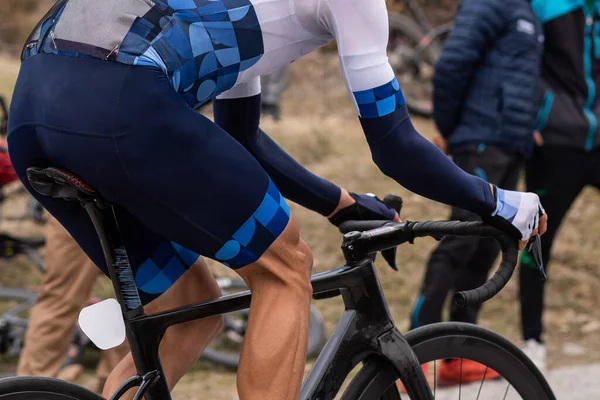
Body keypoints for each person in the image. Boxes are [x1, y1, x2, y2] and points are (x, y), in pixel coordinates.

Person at [8, 0, 545, 399]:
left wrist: (339, 204)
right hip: (122, 103)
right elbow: (395, 145)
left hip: (34, 107)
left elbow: (240, 137)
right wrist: (499, 203)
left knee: (184, 309)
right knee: (286, 268)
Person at [407, 0, 543, 384]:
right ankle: (410, 353)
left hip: (510, 143)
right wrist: (450, 129)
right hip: (479, 139)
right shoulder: (488, 3)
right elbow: (452, 65)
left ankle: (456, 355)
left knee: (487, 244)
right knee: (460, 241)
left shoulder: (527, 10)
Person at [519, 0, 600, 370]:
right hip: (556, 141)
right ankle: (531, 338)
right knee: (536, 240)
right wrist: (532, 118)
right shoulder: (544, 5)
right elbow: (520, 59)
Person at [17, 215, 129, 393]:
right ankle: (30, 390)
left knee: (136, 302)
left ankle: (122, 389)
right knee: (61, 300)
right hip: (77, 204)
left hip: (132, 207)